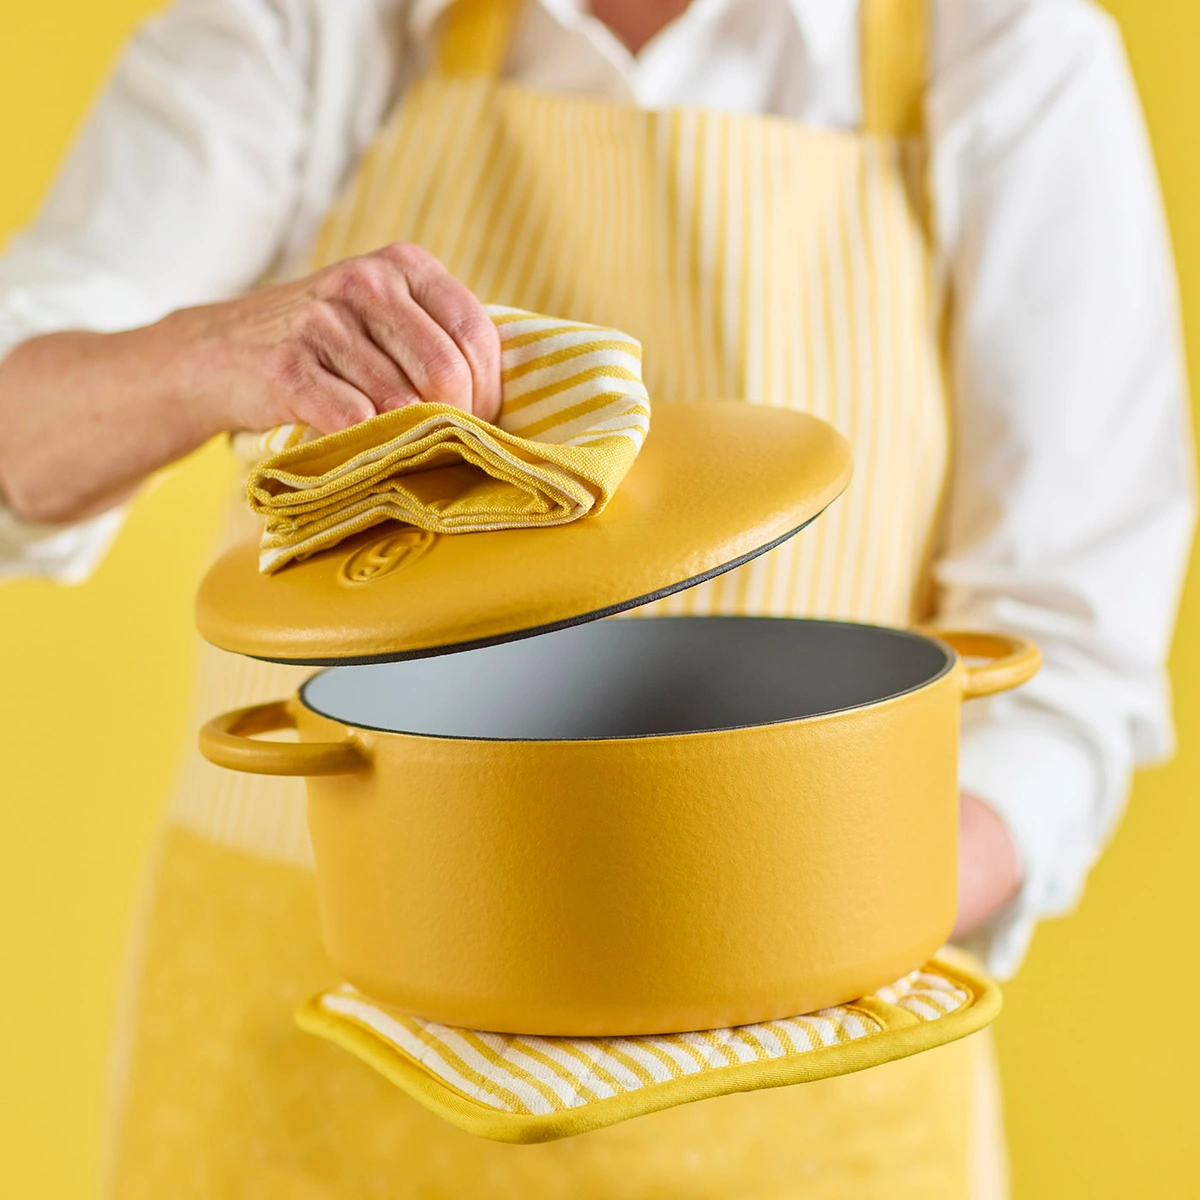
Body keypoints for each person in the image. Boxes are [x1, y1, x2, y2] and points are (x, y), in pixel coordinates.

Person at [0, 0, 1192, 1195]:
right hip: (311, 1035)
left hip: (802, 1099)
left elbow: (1065, 651)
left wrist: (813, 927)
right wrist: (199, 357)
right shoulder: (321, 26)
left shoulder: (1001, 45)